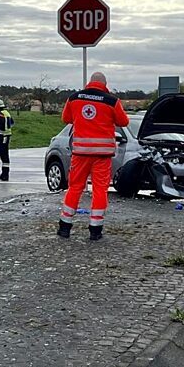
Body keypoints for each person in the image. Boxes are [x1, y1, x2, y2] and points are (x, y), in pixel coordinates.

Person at [58, 71, 129, 241]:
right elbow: (124, 122)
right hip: (102, 155)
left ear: (90, 82)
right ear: (105, 84)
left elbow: (66, 118)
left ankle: (65, 227)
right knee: (100, 190)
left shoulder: (74, 98)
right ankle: (95, 230)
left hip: (80, 153)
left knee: (75, 187)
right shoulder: (112, 101)